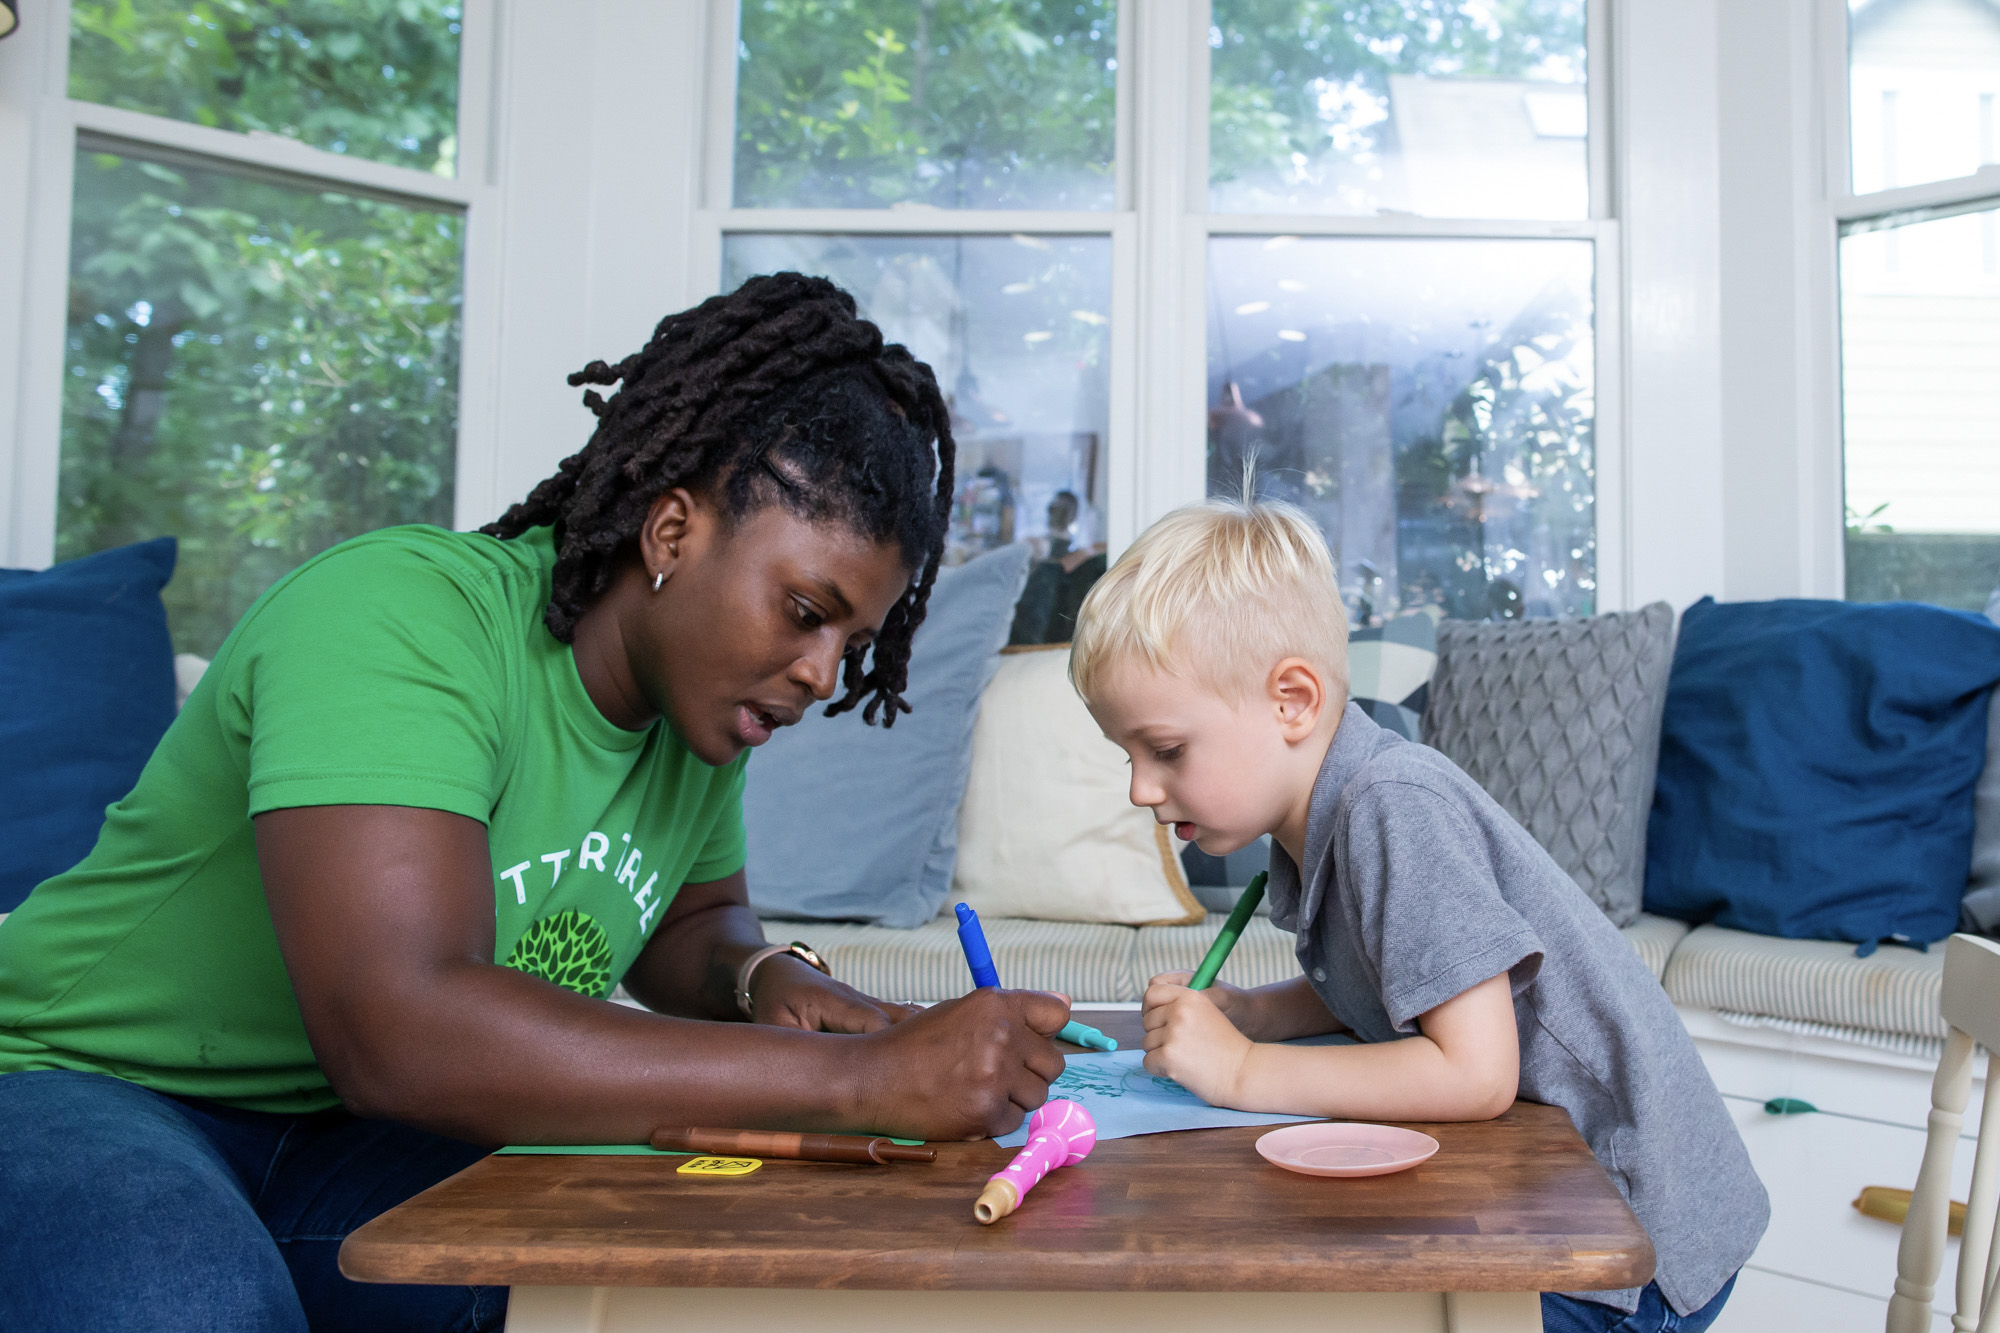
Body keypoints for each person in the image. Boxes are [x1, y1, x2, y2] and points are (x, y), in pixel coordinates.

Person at [0, 273, 1070, 1333]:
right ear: (670, 533)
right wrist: (859, 1079)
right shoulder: (401, 619)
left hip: (350, 1136)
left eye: (852, 643)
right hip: (88, 1085)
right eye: (802, 611)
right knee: (188, 1305)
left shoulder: (695, 715)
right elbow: (401, 1028)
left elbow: (690, 925)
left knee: (640, 1271)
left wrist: (761, 978)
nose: (822, 673)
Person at [1067, 495, 1767, 1333]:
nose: (1141, 788)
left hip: (1629, 1232)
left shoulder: (1388, 805)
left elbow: (1476, 1072)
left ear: (1292, 700)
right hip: (1558, 1193)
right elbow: (1391, 972)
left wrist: (1244, 1069)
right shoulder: (1318, 812)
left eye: (1166, 750)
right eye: (1130, 757)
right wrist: (1254, 1011)